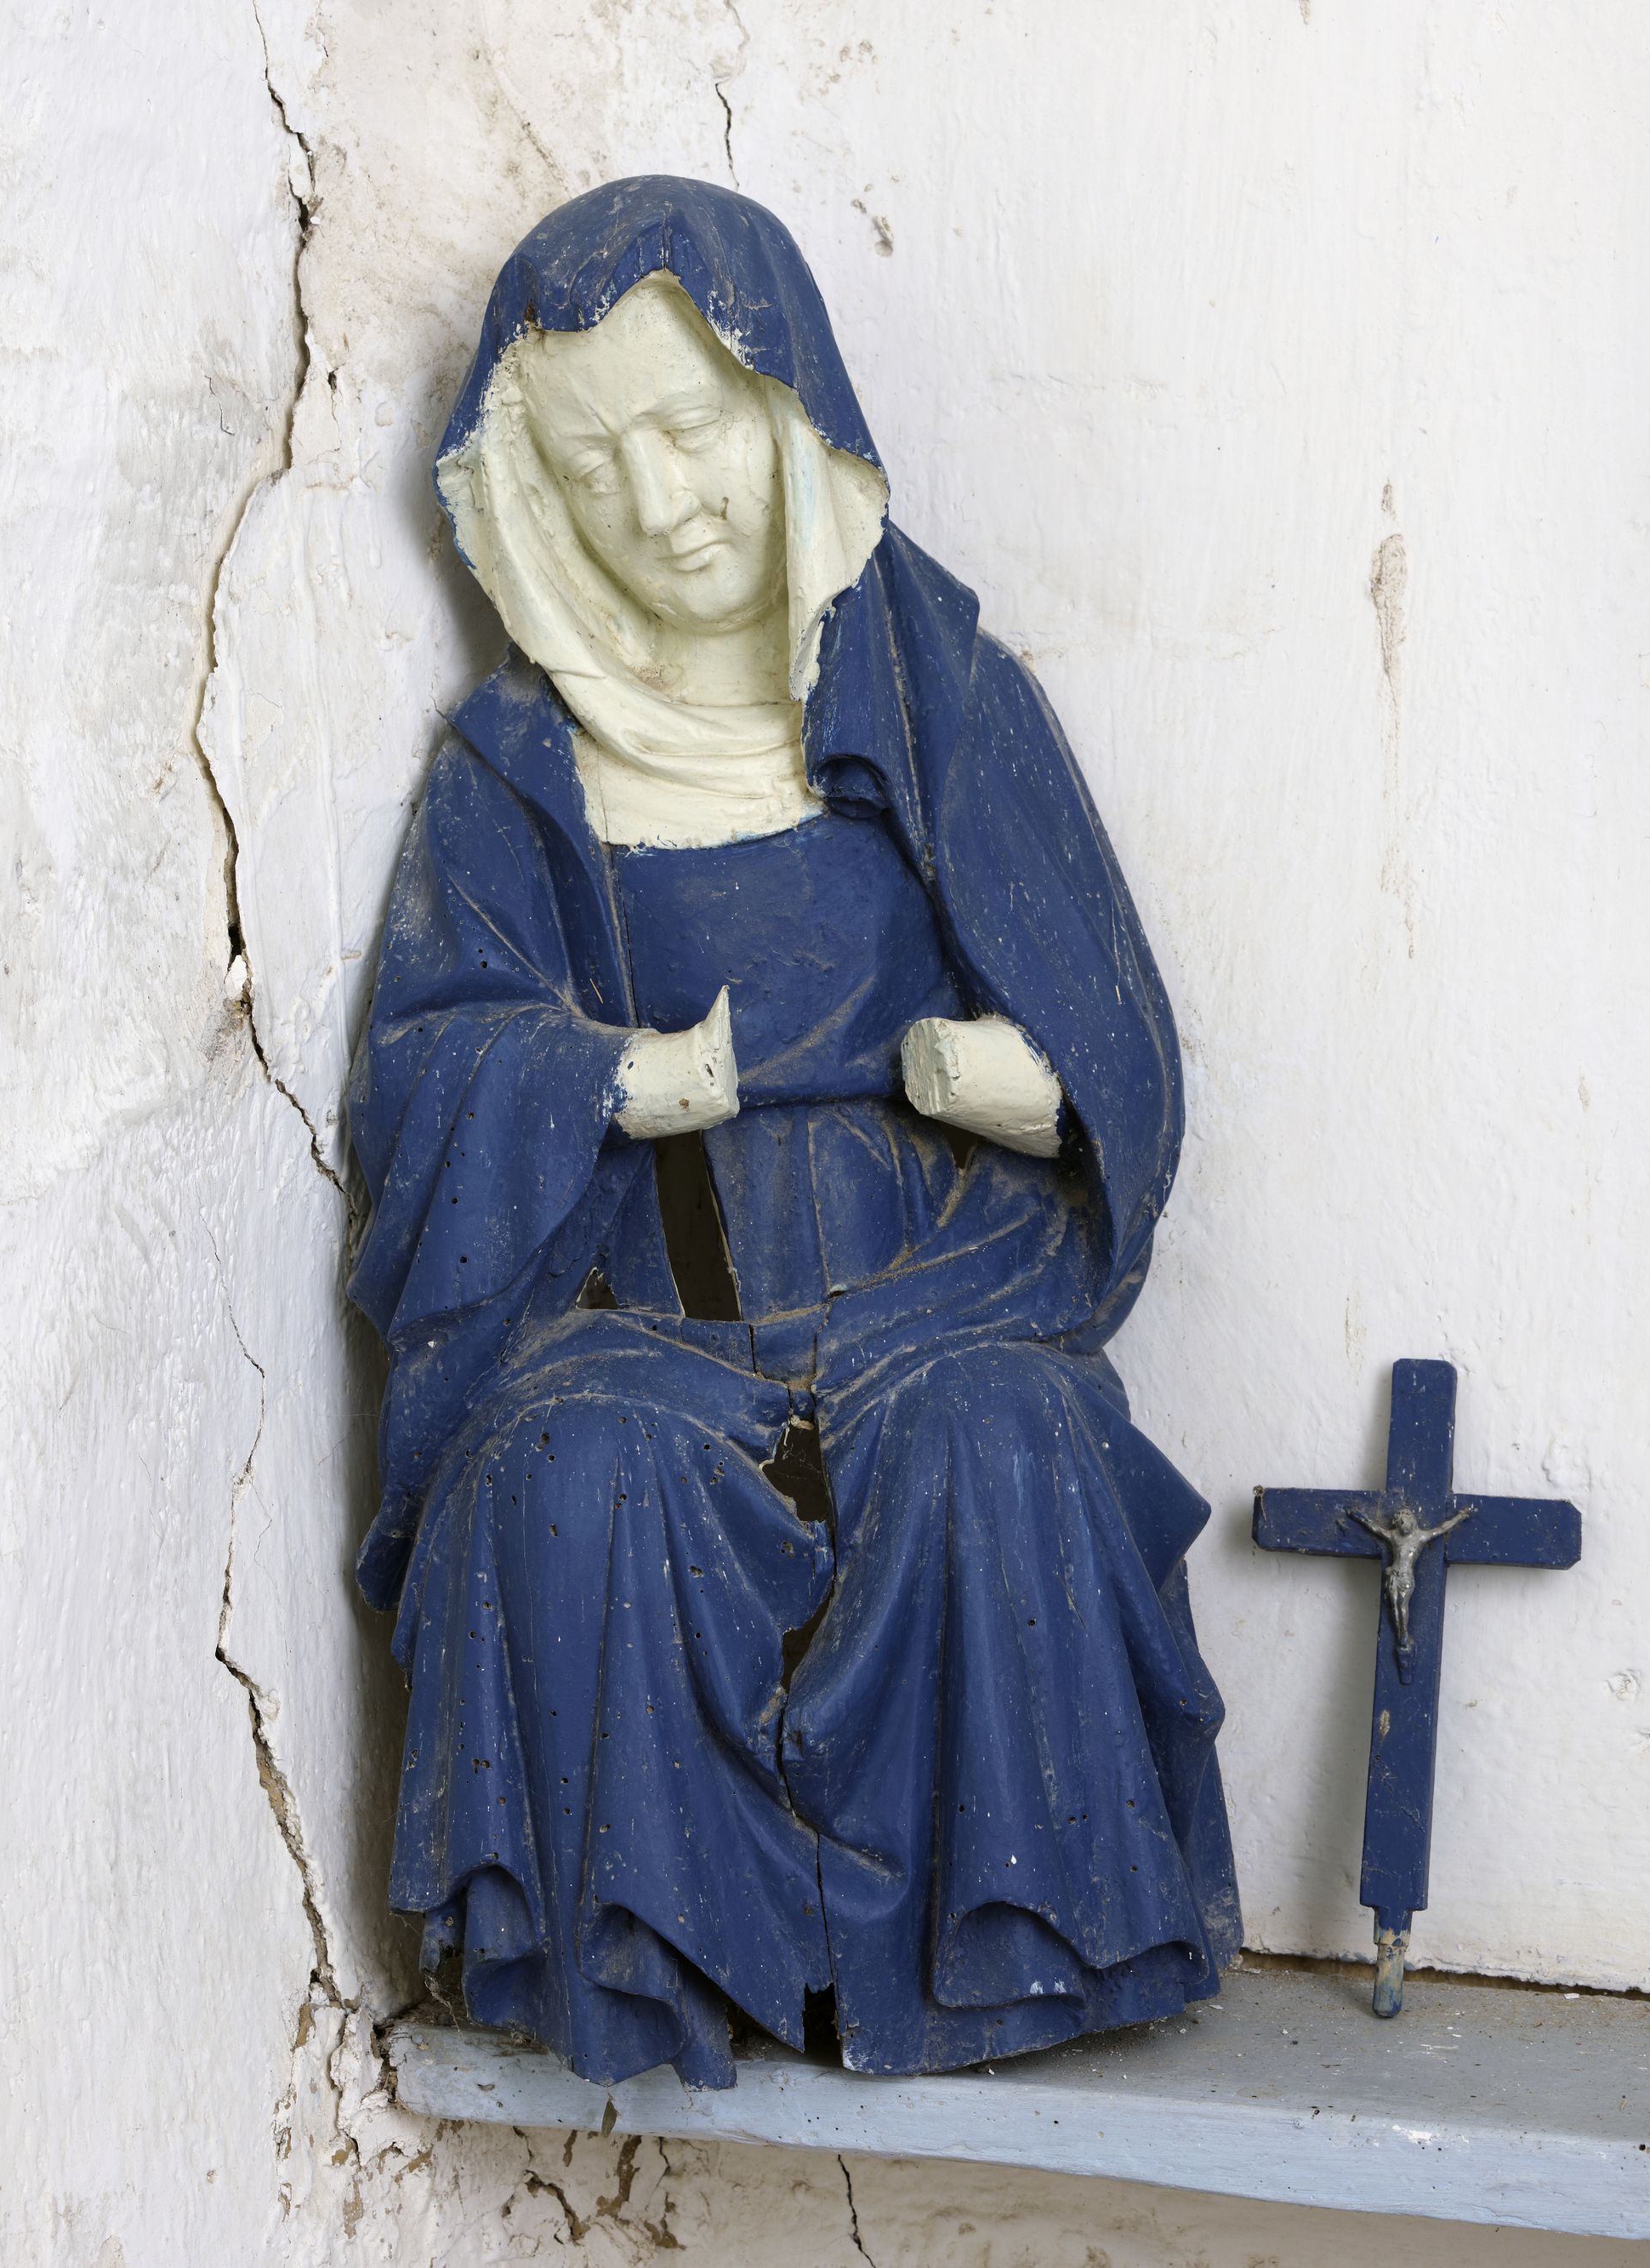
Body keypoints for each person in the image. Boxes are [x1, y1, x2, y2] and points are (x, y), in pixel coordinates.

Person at [349, 176, 1239, 2088]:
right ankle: (654, 1951)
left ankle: (1014, 1942)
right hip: (640, 1304)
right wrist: (614, 1080)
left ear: (782, 410)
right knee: (565, 1476)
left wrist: (1012, 1082)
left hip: (934, 1283)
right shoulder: (517, 766)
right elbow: (425, 1073)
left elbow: (1117, 1038)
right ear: (533, 501)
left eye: (689, 430)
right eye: (596, 468)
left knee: (1005, 1442)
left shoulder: (942, 703)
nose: (662, 505)